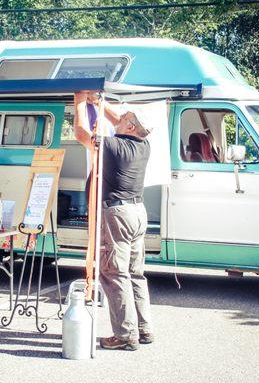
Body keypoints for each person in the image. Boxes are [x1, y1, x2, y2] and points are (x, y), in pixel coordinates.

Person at [73, 92, 154, 351]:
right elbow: (119, 118)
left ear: (130, 126)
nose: (118, 118)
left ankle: (124, 335)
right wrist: (96, 101)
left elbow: (81, 134)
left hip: (117, 215)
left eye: (124, 118)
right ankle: (144, 328)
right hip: (138, 213)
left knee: (114, 273)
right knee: (135, 274)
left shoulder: (114, 146)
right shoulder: (143, 146)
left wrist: (78, 102)